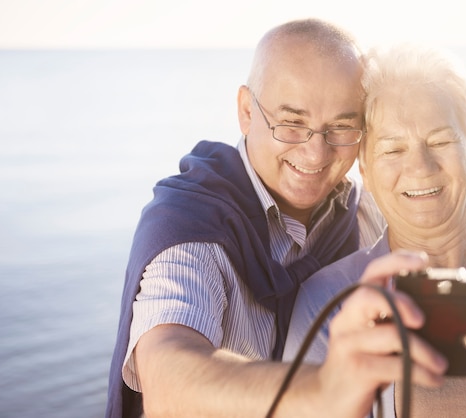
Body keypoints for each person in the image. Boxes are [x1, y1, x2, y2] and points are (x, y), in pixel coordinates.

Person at [105, 18, 387, 418]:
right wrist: (322, 390)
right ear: (246, 112)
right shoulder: (192, 228)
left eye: (341, 127)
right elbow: (169, 383)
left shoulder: (361, 212)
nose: (316, 154)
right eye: (292, 123)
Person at [283, 43, 466, 417]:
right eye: (393, 150)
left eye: (440, 141)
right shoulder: (331, 307)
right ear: (366, 173)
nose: (420, 166)